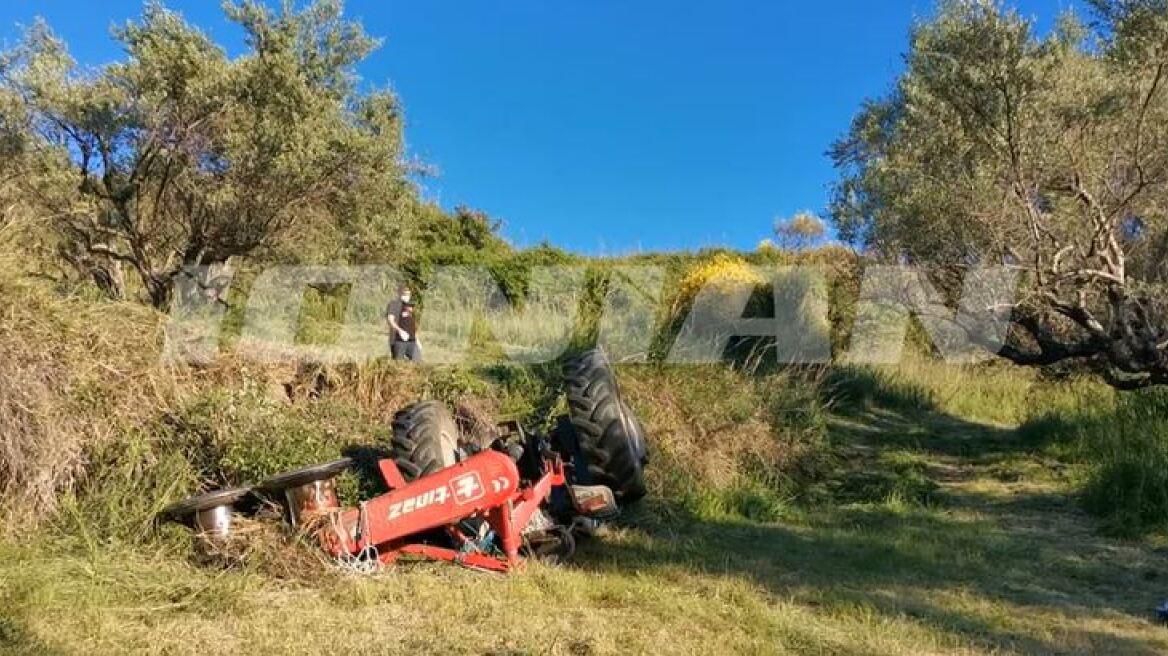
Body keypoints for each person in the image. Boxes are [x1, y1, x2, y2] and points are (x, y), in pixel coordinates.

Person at [385, 285, 421, 362]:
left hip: (412, 341)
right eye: (404, 294)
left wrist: (417, 339)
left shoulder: (410, 306)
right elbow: (390, 320)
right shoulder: (394, 304)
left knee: (418, 363)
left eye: (408, 294)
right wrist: (400, 331)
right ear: (399, 293)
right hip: (399, 340)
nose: (406, 296)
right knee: (399, 364)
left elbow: (412, 324)